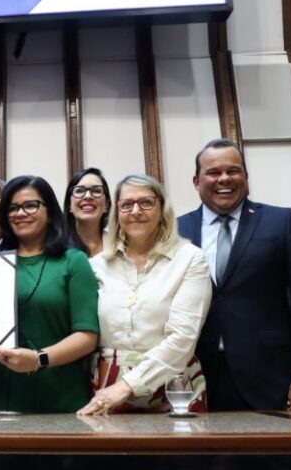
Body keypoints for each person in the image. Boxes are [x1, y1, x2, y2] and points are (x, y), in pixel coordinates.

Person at [177, 138, 291, 411]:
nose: (224, 178)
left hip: (270, 375)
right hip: (196, 375)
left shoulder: (280, 222)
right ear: (196, 181)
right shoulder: (177, 230)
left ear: (245, 177)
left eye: (233, 171)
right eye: (213, 172)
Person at [77, 174, 212, 415]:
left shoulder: (190, 259)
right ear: (117, 213)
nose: (136, 211)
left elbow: (183, 338)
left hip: (172, 385)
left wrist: (128, 385)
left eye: (146, 203)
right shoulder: (96, 265)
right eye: (126, 205)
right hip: (106, 389)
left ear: (162, 209)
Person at [0, 175, 100, 413]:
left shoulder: (73, 261)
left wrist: (37, 359)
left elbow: (87, 336)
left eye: (31, 205)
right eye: (12, 208)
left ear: (51, 211)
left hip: (58, 393)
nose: (20, 213)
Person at [64, 167, 111, 258]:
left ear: (106, 204)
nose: (88, 196)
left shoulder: (119, 246)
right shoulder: (56, 248)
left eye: (97, 190)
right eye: (79, 191)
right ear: (69, 204)